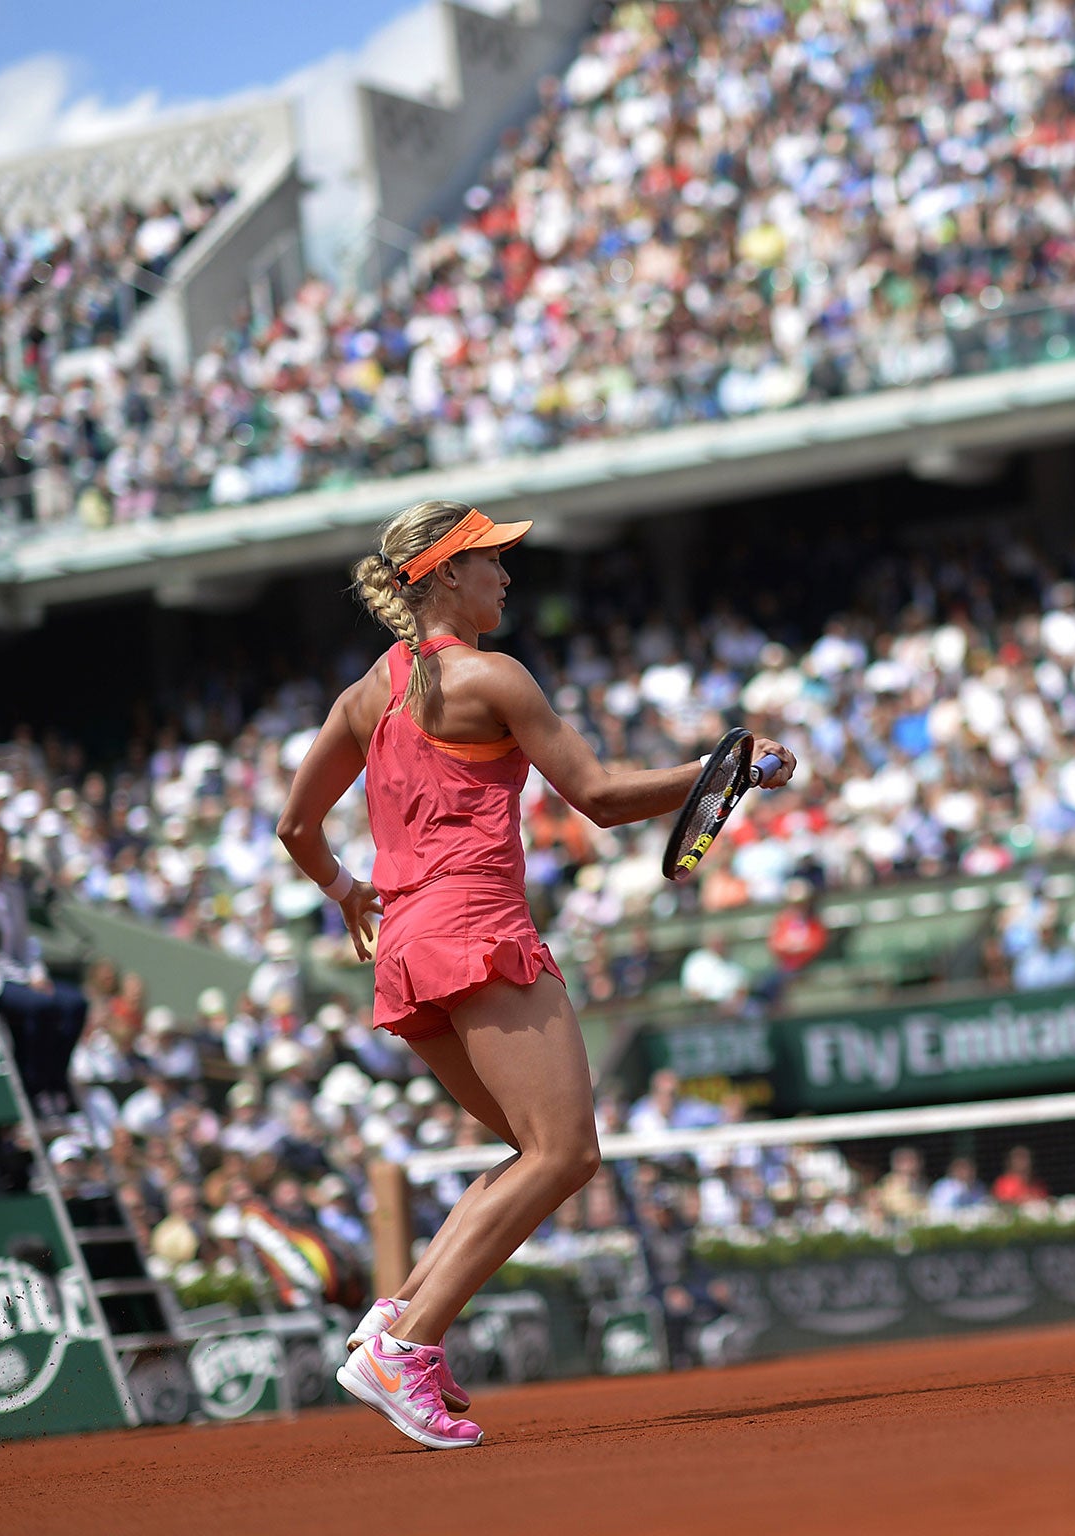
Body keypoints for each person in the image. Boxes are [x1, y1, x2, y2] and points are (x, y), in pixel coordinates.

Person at [275, 499, 795, 1448]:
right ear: (441, 578)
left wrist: (348, 890)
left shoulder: (366, 692)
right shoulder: (493, 677)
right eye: (490, 563)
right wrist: (731, 764)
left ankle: (396, 1323)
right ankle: (410, 1344)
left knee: (531, 1150)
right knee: (565, 1154)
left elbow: (295, 829)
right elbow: (596, 797)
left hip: (406, 948)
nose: (506, 578)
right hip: (478, 930)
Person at [0, 821, 88, 1115]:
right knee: (42, 1007)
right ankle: (33, 1082)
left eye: (3, 843)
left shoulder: (13, 891)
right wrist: (27, 977)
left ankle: (56, 1078)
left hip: (16, 974)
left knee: (75, 1003)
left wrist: (36, 972)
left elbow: (24, 943)